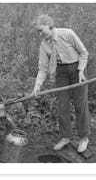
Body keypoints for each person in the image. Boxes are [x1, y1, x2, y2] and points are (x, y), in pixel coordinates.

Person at [32, 14, 90, 153]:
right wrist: (37, 85)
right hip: (61, 72)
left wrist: (81, 70)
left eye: (41, 30)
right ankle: (65, 137)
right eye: (38, 31)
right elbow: (43, 68)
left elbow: (84, 53)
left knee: (80, 104)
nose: (40, 34)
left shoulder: (67, 33)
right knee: (62, 106)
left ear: (49, 25)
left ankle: (83, 138)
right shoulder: (44, 45)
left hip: (77, 69)